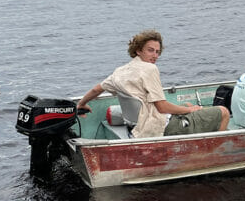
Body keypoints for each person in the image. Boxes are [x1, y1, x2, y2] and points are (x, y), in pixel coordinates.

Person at [77, 30, 229, 138]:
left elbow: (96, 89)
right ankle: (214, 153)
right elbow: (162, 107)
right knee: (223, 112)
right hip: (159, 127)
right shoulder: (150, 69)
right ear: (138, 50)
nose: (155, 55)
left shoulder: (120, 71)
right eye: (150, 50)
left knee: (189, 105)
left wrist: (82, 104)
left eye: (157, 51)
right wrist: (188, 111)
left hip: (134, 127)